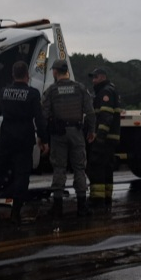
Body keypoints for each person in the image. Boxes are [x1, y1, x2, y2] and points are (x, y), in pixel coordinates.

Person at [0, 61, 48, 224]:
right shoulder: (33, 94)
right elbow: (39, 118)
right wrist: (43, 138)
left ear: (13, 75)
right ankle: (15, 213)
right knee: (21, 176)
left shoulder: (4, 91)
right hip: (24, 138)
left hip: (6, 137)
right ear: (27, 75)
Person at [41, 58, 95, 218]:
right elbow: (90, 112)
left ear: (56, 72)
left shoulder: (51, 91)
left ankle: (57, 207)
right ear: (67, 72)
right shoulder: (80, 88)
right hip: (77, 133)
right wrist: (91, 130)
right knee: (79, 168)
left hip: (58, 134)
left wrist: (42, 137)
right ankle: (82, 207)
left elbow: (44, 115)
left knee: (59, 168)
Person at [87, 67, 122, 213]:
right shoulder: (111, 90)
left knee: (97, 168)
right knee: (107, 169)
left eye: (95, 78)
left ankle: (97, 200)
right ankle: (106, 198)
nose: (93, 81)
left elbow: (105, 117)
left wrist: (99, 137)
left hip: (105, 139)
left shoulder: (105, 92)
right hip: (111, 139)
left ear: (102, 77)